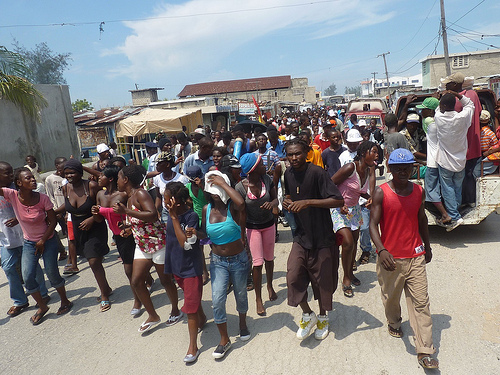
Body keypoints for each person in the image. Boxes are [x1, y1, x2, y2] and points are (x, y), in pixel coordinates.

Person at [369, 148, 439, 370]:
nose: (402, 171)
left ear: (413, 168)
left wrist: (426, 246)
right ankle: (394, 321)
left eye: (407, 167)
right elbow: (372, 225)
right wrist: (381, 250)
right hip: (390, 258)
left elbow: (422, 220)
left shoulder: (418, 191)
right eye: (398, 168)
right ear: (389, 169)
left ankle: (425, 350)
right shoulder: (381, 193)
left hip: (415, 255)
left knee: (421, 302)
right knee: (391, 298)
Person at [283, 138, 344, 340]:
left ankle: (323, 317)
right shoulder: (288, 174)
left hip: (322, 236)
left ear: (307, 153)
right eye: (290, 154)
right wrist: (287, 201)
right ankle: (307, 313)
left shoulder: (317, 173)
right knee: (293, 276)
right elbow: (290, 195)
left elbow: (337, 200)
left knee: (322, 281)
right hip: (301, 236)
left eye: (297, 153)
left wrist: (308, 202)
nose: (293, 158)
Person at [114, 165, 182, 333]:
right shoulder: (129, 196)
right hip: (142, 245)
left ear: (126, 180)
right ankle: (153, 315)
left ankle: (175, 310)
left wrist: (126, 211)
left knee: (166, 281)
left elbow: (152, 215)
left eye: (118, 177)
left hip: (158, 243)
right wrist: (128, 227)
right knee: (136, 281)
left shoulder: (141, 193)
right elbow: (140, 220)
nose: (117, 181)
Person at [1, 167, 72, 325]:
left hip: (49, 240)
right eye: (28, 178)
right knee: (28, 277)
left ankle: (65, 301)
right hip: (29, 243)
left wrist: (43, 240)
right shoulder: (12, 195)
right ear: (19, 183)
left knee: (52, 273)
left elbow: (53, 222)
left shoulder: (43, 198)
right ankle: (42, 306)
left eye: (33, 177)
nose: (33, 180)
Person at [200, 170, 250, 359]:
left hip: (238, 259)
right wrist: (194, 234)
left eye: (217, 187)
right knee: (218, 299)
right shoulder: (206, 209)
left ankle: (243, 324)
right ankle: (224, 339)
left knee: (241, 294)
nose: (214, 191)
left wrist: (222, 183)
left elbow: (241, 202)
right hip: (217, 261)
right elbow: (205, 234)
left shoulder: (233, 208)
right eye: (211, 187)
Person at [91, 165, 150, 316]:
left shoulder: (123, 195)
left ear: (110, 178)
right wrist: (95, 213)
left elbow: (134, 211)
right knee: (132, 269)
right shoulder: (100, 195)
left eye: (101, 175)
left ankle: (138, 300)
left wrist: (128, 226)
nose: (99, 178)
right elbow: (98, 219)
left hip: (130, 233)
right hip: (118, 236)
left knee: (129, 270)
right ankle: (146, 282)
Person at [59, 159, 112, 312]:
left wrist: (91, 219)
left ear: (80, 173)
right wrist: (52, 212)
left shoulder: (91, 186)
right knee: (92, 260)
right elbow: (67, 206)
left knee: (94, 261)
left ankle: (104, 295)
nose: (69, 175)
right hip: (78, 227)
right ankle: (106, 288)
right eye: (66, 173)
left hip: (95, 225)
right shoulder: (65, 188)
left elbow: (101, 205)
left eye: (72, 172)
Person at [163, 182, 206, 363]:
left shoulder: (191, 217)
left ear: (176, 202)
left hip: (190, 268)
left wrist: (173, 218)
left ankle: (192, 347)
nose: (164, 202)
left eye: (166, 199)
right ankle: (202, 318)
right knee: (192, 300)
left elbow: (184, 244)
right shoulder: (170, 215)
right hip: (176, 266)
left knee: (189, 307)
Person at [0, 162, 50, 317]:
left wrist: (17, 217)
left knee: (31, 266)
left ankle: (42, 292)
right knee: (8, 268)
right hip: (5, 237)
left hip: (25, 235)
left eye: (10, 173)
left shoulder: (21, 187)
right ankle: (20, 300)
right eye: (6, 173)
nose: (10, 176)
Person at [332, 141, 377, 297]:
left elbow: (359, 191)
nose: (377, 155)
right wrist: (339, 202)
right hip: (339, 209)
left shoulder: (369, 169)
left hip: (355, 210)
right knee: (348, 243)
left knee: (354, 242)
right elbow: (330, 184)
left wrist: (369, 197)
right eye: (374, 151)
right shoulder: (350, 167)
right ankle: (345, 278)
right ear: (364, 152)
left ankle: (350, 273)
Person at [236, 153, 278, 316]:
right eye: (261, 164)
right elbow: (242, 214)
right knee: (258, 262)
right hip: (252, 228)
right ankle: (258, 299)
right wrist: (242, 234)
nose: (264, 166)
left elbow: (276, 200)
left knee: (269, 259)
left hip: (268, 225)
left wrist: (272, 204)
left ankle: (270, 286)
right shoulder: (240, 187)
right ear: (253, 169)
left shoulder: (266, 180)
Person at [435, 91, 475, 231]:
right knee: (457, 187)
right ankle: (456, 211)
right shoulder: (463, 118)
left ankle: (454, 216)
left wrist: (440, 97)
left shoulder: (439, 117)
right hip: (460, 161)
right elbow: (470, 104)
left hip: (445, 161)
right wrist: (457, 95)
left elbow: (437, 108)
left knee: (448, 189)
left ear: (443, 105)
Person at [443, 72, 482, 205]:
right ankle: (470, 201)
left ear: (454, 85)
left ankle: (457, 204)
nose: (446, 85)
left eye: (448, 83)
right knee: (470, 175)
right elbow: (479, 111)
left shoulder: (454, 101)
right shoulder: (474, 95)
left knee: (456, 179)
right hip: (475, 144)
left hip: (459, 147)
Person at [417, 97, 452, 225]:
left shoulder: (428, 122)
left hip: (432, 163)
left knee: (431, 191)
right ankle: (450, 212)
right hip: (443, 161)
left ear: (430, 111)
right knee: (445, 188)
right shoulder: (443, 122)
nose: (421, 112)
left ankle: (444, 214)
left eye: (424, 110)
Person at [185, 166, 210, 285]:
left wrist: (202, 186)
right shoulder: (187, 187)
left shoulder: (205, 186)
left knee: (214, 245)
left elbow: (209, 199)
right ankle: (204, 272)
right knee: (199, 249)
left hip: (208, 217)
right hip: (196, 219)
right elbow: (187, 201)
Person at [153, 151, 189, 223]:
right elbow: (158, 197)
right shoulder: (157, 179)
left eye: (160, 163)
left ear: (167, 164)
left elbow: (186, 198)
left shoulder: (181, 179)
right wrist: (156, 210)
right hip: (166, 212)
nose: (157, 165)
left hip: (180, 212)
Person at [44, 156, 68, 261]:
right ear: (57, 166)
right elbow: (50, 195)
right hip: (56, 209)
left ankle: (75, 250)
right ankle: (61, 250)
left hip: (67, 208)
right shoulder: (50, 179)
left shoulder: (67, 177)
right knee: (52, 230)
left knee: (68, 231)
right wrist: (54, 209)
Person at [474, 110, 500, 177]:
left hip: (491, 156)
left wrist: (489, 152)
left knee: (476, 172)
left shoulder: (478, 132)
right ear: (489, 120)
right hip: (488, 155)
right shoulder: (490, 133)